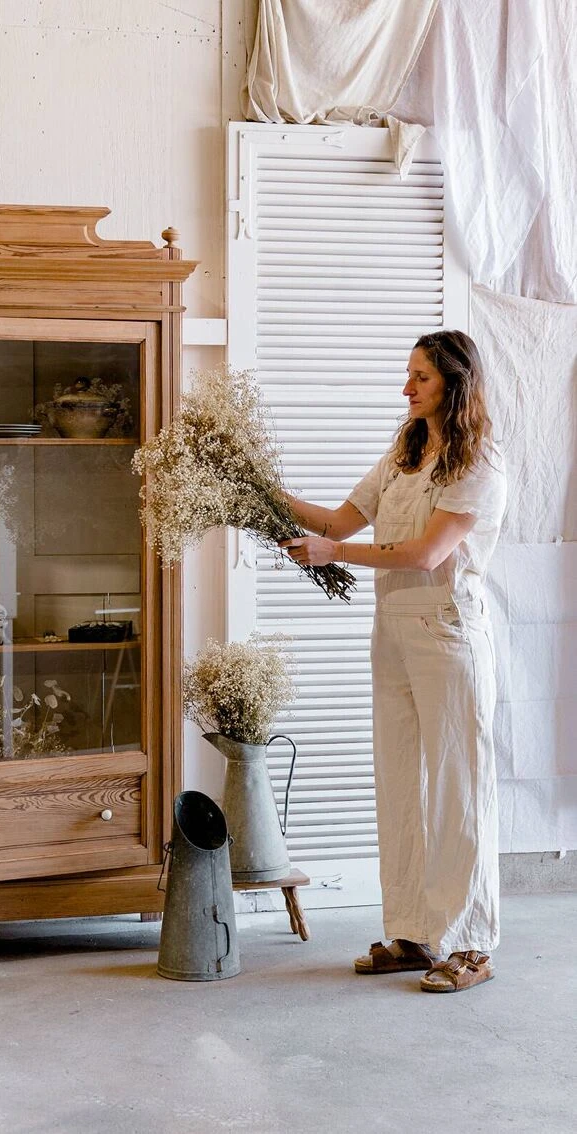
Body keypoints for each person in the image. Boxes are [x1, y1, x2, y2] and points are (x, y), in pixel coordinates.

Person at [280, 330, 507, 993]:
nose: (406, 388)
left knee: (459, 785)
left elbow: (426, 554)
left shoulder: (479, 463)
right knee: (400, 780)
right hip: (394, 630)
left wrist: (333, 556)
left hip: (449, 631)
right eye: (409, 375)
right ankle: (412, 934)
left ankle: (471, 944)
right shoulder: (404, 454)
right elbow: (337, 522)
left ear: (456, 384)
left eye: (421, 378)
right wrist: (257, 487)